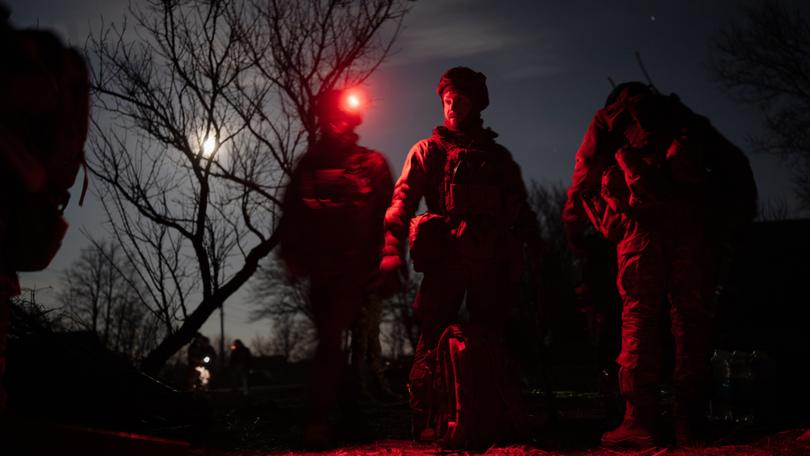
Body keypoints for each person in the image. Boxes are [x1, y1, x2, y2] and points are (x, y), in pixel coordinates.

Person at [562, 82, 756, 448]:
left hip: (641, 228)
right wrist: (732, 222)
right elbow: (735, 163)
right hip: (691, 227)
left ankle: (639, 422)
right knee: (690, 319)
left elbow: (585, 172)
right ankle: (690, 420)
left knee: (640, 318)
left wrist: (573, 226)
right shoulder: (681, 116)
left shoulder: (609, 119)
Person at [378, 67, 541, 441]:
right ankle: (426, 422)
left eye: (460, 99)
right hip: (446, 259)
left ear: (476, 104)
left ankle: (492, 416)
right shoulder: (427, 150)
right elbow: (401, 202)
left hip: (491, 260)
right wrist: (391, 249)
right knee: (432, 339)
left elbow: (520, 208)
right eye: (447, 99)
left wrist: (536, 248)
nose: (452, 105)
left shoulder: (497, 158)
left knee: (491, 336)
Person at [279, 87, 393, 445]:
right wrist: (292, 253)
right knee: (330, 341)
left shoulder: (370, 163)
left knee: (358, 343)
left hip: (360, 267)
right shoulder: (310, 165)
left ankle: (347, 417)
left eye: (344, 115)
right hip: (324, 268)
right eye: (332, 115)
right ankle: (324, 420)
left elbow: (385, 214)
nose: (338, 122)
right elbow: (293, 212)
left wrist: (389, 256)